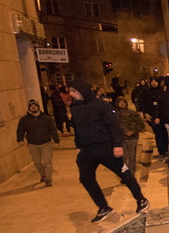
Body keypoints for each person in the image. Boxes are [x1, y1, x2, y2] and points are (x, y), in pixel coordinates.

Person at [67, 78, 149, 222]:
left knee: (124, 173)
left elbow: (114, 127)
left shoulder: (101, 106)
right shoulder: (75, 108)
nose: (71, 94)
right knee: (85, 178)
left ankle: (141, 199)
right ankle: (103, 207)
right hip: (87, 150)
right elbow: (78, 130)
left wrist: (117, 145)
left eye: (73, 91)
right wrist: (78, 146)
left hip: (106, 148)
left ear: (82, 91)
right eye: (70, 91)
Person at [16, 99, 60, 186]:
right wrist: (20, 140)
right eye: (31, 106)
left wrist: (56, 141)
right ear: (29, 108)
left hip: (46, 143)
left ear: (38, 107)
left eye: (35, 106)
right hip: (33, 144)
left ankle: (48, 179)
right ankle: (43, 174)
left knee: (47, 162)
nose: (33, 107)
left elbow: (53, 130)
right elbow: (20, 130)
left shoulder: (46, 118)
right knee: (37, 162)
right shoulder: (25, 119)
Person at [114, 96, 147, 174]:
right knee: (122, 159)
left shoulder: (132, 113)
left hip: (132, 138)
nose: (122, 104)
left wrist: (133, 131)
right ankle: (125, 175)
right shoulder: (114, 114)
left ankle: (132, 173)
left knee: (131, 157)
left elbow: (141, 125)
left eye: (123, 102)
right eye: (120, 102)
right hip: (120, 139)